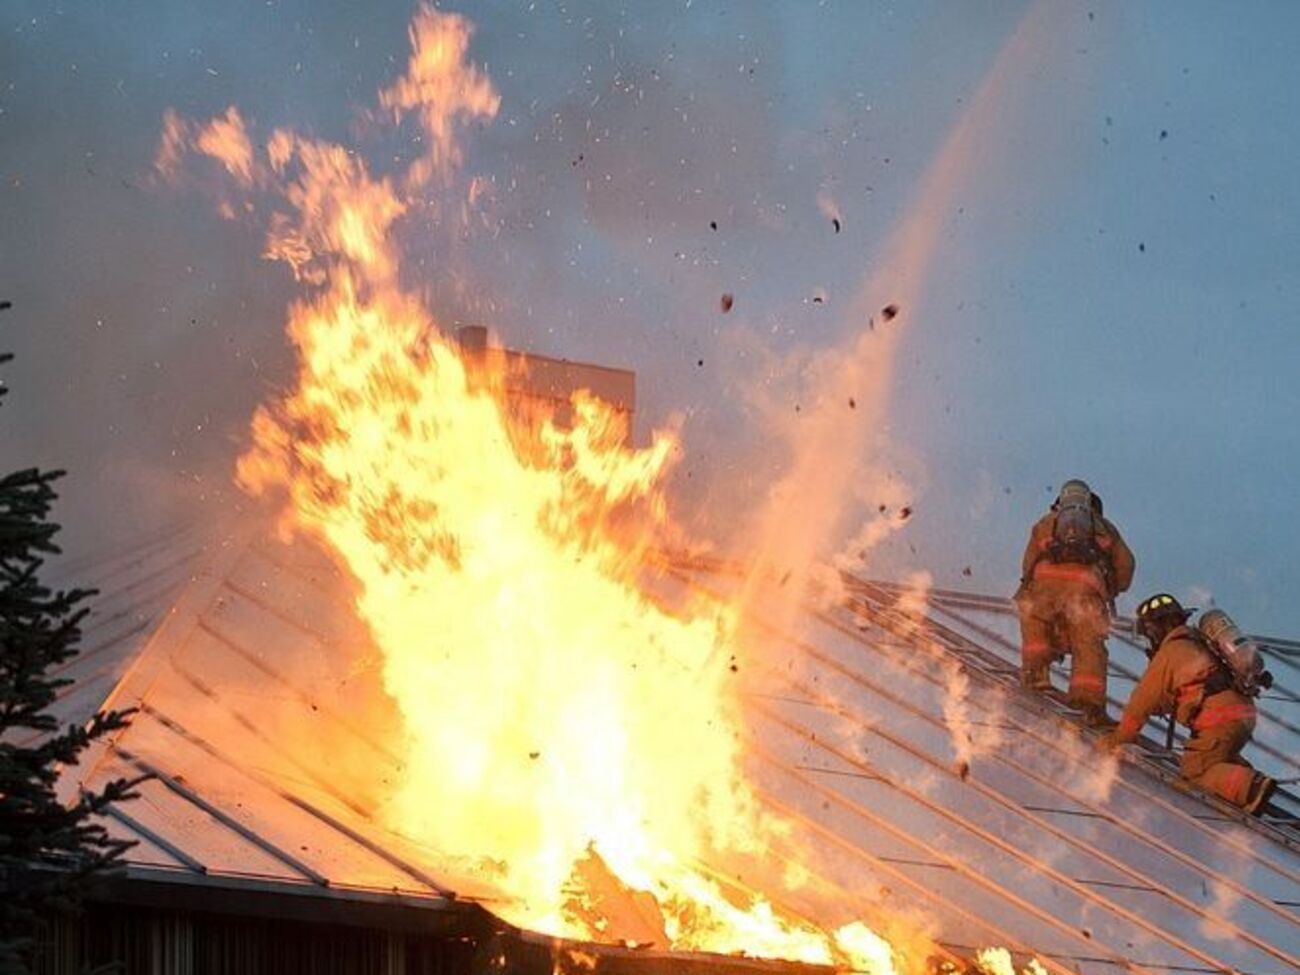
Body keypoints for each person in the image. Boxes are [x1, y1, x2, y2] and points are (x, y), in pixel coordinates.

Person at [1099, 593, 1276, 814]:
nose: (1150, 639)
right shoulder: (1201, 643)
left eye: (1150, 632)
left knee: (1195, 771)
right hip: (1242, 713)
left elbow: (1140, 703)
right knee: (1215, 755)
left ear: (1157, 628)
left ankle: (1251, 786)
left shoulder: (1170, 652)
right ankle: (1240, 777)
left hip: (1219, 718)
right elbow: (1183, 691)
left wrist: (1118, 739)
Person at [1016, 479, 1135, 726]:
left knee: (1035, 622)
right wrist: (1111, 588)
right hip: (1086, 588)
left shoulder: (1046, 522)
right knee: (1088, 643)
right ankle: (1086, 702)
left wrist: (1033, 586)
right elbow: (1126, 567)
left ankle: (1036, 674)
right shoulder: (1105, 528)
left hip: (1045, 584)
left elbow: (1028, 563)